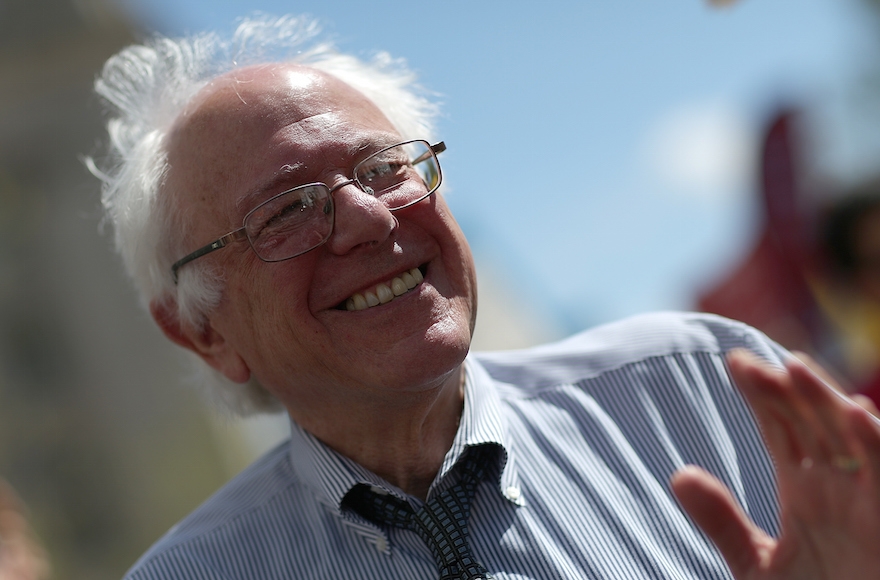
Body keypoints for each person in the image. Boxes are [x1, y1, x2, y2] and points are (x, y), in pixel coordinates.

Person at [90, 14, 880, 580]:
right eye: (287, 210)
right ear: (202, 333)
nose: (367, 219)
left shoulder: (708, 387)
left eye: (383, 170)